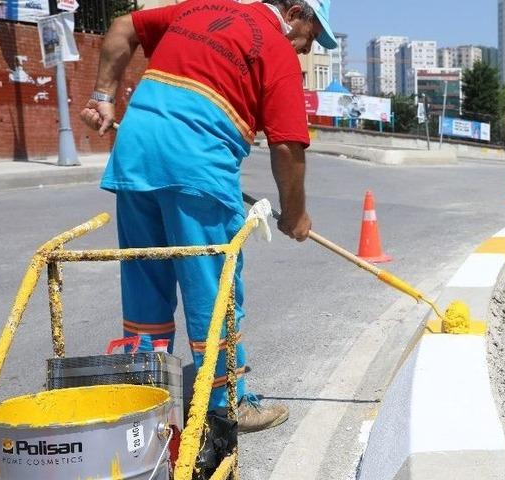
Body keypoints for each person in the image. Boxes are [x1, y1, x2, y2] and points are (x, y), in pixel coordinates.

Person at [79, 0, 337, 434]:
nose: (307, 49)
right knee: (211, 292)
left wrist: (103, 97)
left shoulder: (200, 8)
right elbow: (288, 146)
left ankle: (146, 401)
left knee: (145, 283)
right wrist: (295, 215)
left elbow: (123, 26)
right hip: (197, 169)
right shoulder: (275, 48)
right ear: (294, 13)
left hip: (136, 156)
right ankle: (225, 404)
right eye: (311, 37)